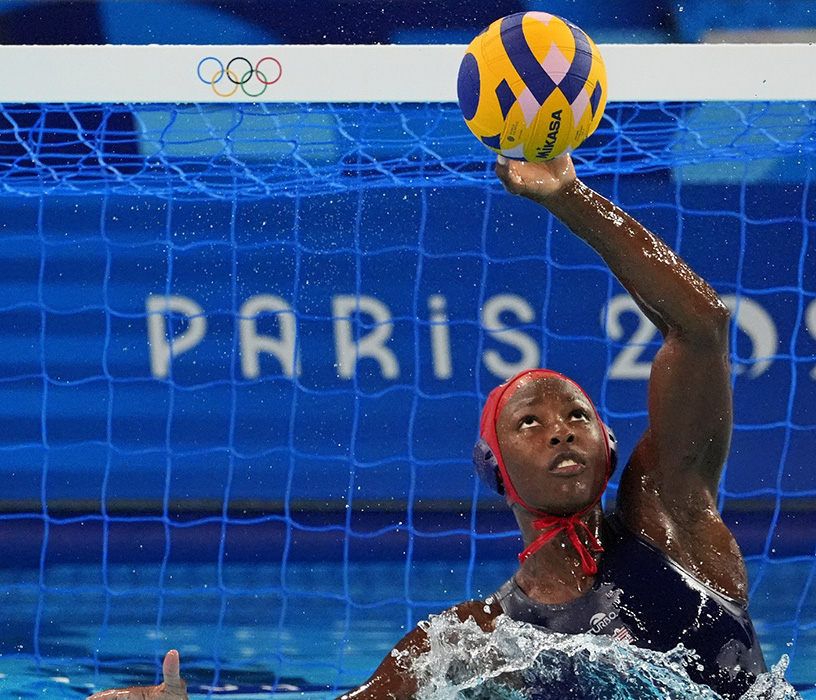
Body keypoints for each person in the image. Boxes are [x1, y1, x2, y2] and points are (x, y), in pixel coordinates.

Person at [86, 153, 766, 700]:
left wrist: (569, 197)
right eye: (530, 422)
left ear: (609, 447)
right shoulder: (469, 643)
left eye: (577, 416)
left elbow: (701, 327)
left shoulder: (673, 524)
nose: (560, 431)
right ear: (495, 467)